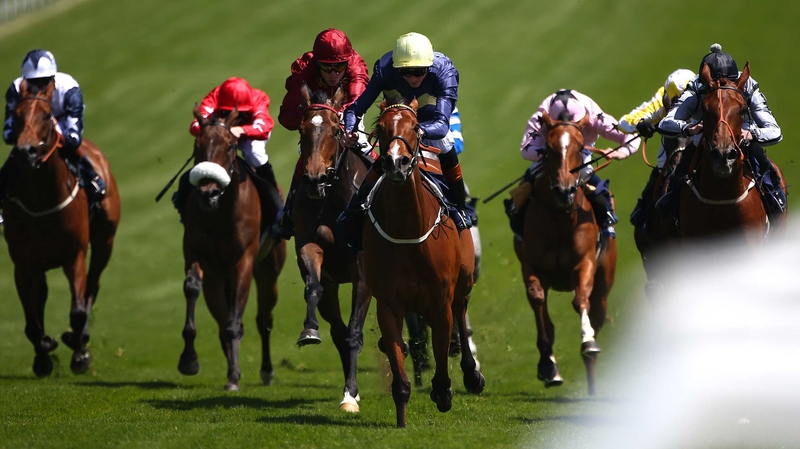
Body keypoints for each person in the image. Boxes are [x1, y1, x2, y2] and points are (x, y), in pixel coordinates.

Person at [338, 31, 473, 249]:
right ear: (395, 68)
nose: (412, 78)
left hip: (429, 121)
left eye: (418, 72)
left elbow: (441, 124)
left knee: (446, 143)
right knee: (389, 155)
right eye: (405, 72)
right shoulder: (384, 69)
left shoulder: (445, 72)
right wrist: (350, 129)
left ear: (429, 66)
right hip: (397, 124)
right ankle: (355, 209)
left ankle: (459, 207)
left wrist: (418, 131)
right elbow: (356, 108)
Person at [657, 44, 785, 222]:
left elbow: (775, 131)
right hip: (705, 136)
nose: (720, 87)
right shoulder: (696, 87)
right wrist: (688, 128)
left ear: (736, 80)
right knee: (681, 171)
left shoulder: (748, 86)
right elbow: (666, 123)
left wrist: (752, 134)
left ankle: (774, 198)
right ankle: (672, 203)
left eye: (727, 83)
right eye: (714, 86)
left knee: (763, 164)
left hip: (742, 133)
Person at [507, 89, 641, 240]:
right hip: (550, 153)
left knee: (584, 173)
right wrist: (550, 154)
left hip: (580, 153)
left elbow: (631, 137)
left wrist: (621, 152)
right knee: (532, 178)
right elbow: (526, 149)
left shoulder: (594, 116)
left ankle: (606, 217)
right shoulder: (541, 116)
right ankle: (519, 223)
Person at [274, 28, 370, 239]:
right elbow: (286, 115)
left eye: (339, 68)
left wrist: (342, 122)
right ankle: (290, 210)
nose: (334, 74)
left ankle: (382, 200)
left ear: (348, 62)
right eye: (327, 68)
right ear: (317, 63)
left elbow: (357, 101)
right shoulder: (304, 68)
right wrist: (311, 120)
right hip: (316, 118)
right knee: (309, 150)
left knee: (364, 145)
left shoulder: (356, 66)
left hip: (347, 114)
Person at [0, 49, 105, 225]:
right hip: (31, 127)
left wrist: (51, 126)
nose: (38, 88)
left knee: (71, 149)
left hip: (61, 123)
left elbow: (73, 138)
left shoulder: (69, 89)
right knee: (18, 155)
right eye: (33, 83)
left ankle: (92, 178)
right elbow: (8, 133)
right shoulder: (16, 90)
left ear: (53, 79)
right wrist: (27, 130)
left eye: (43, 82)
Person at [173, 76, 282, 230]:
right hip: (220, 135)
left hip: (249, 135)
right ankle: (183, 202)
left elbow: (264, 126)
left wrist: (242, 129)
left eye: (241, 114)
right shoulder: (214, 97)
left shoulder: (258, 98)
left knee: (254, 152)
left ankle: (277, 205)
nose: (234, 117)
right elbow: (195, 126)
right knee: (208, 151)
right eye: (226, 112)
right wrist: (219, 132)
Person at [621, 68, 695, 229]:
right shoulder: (660, 102)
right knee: (660, 174)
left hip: (703, 146)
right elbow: (625, 122)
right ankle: (645, 220)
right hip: (672, 152)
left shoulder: (704, 97)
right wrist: (641, 124)